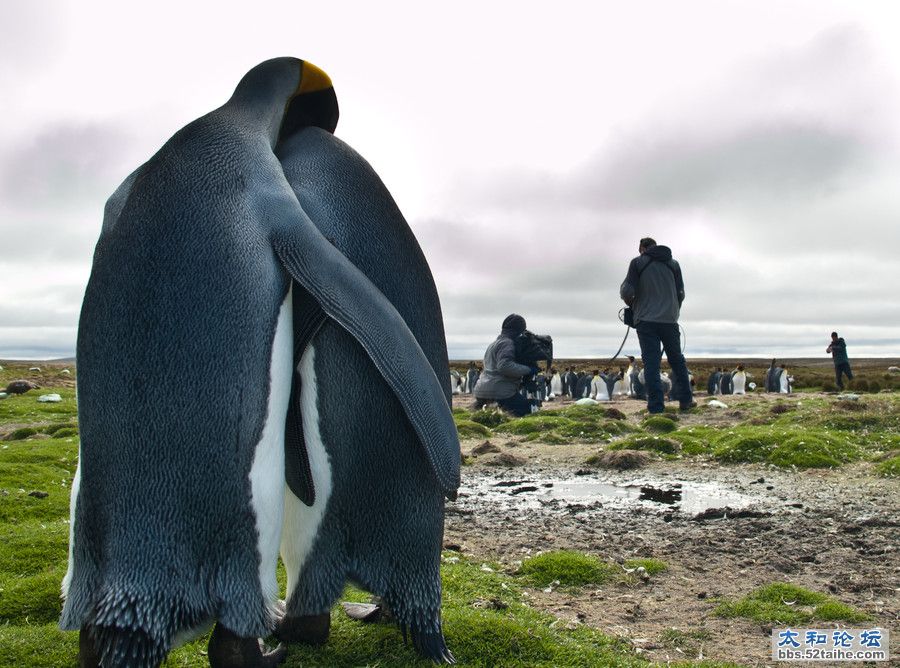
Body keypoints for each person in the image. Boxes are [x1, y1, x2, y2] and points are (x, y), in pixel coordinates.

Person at [620, 237, 694, 413]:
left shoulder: (638, 263)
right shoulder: (673, 264)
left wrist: (633, 305)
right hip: (670, 321)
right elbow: (681, 293)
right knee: (677, 361)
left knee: (652, 364)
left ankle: (656, 407)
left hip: (646, 321)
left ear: (642, 248)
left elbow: (627, 291)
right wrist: (673, 311)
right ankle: (686, 401)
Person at [472, 314, 537, 416]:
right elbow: (504, 366)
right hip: (500, 393)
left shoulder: (493, 344)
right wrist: (529, 369)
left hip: (481, 391)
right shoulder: (507, 343)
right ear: (519, 330)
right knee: (528, 410)